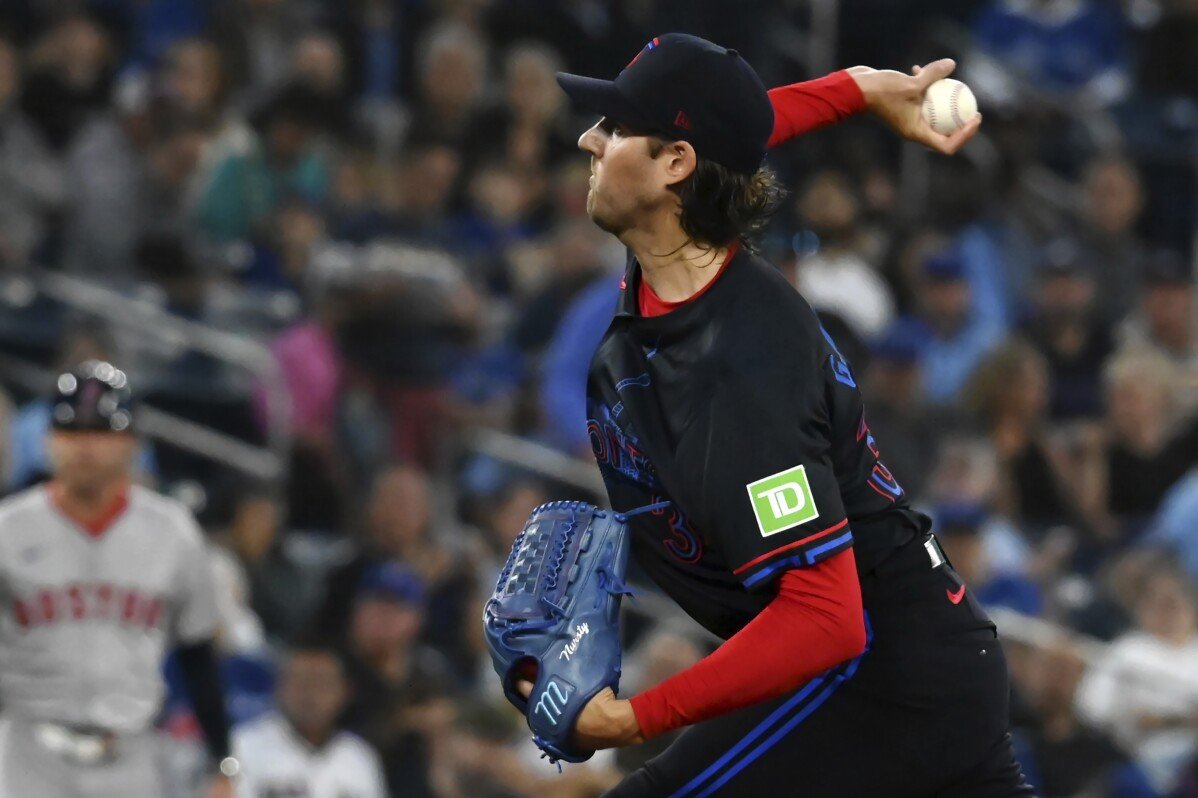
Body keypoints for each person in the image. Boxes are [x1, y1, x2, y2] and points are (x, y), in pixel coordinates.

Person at [512, 33, 1030, 796]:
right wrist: (853, 90)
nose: (590, 137)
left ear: (675, 169)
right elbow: (738, 131)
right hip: (927, 662)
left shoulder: (738, 362)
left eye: (616, 128)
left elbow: (826, 619)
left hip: (879, 675)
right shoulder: (680, 255)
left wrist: (634, 719)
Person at [0, 361, 236, 797]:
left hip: (130, 755)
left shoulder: (172, 531)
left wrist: (221, 758)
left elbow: (198, 656)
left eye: (101, 432)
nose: (85, 447)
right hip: (27, 754)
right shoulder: (8, 529)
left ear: (131, 443)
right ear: (48, 441)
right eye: (71, 432)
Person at [232, 640, 387, 798]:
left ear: (344, 692)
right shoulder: (242, 746)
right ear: (279, 687)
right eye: (301, 681)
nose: (311, 693)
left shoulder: (360, 757)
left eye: (322, 683)